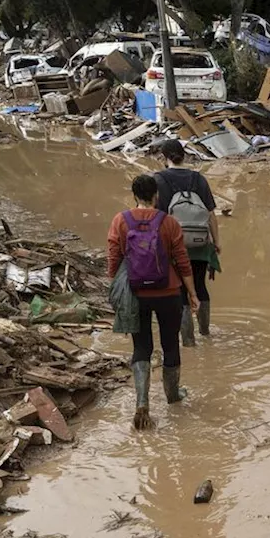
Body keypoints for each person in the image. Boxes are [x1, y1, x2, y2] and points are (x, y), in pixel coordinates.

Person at [108, 174, 198, 429]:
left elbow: (113, 255)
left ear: (134, 195)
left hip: (136, 293)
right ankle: (173, 396)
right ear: (156, 195)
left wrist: (116, 286)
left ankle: (142, 402)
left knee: (141, 347)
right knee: (170, 344)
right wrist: (191, 293)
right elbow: (182, 261)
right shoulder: (168, 222)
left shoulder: (120, 220)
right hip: (168, 292)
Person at [152, 140, 220, 347]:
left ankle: (189, 342)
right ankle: (206, 333)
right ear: (184, 155)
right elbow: (211, 215)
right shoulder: (199, 179)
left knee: (179, 292)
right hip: (200, 243)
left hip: (173, 244)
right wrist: (216, 243)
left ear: (165, 158)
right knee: (200, 285)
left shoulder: (158, 180)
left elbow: (156, 217)